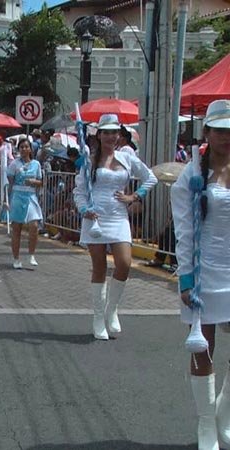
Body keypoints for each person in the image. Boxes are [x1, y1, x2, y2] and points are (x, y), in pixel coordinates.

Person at [171, 99, 230, 450]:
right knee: (203, 348)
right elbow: (184, 230)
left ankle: (225, 412)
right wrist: (187, 278)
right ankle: (206, 424)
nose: (226, 136)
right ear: (206, 132)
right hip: (205, 269)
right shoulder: (192, 175)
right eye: (219, 130)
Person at [74, 114, 157, 340]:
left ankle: (112, 308)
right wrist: (84, 209)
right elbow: (79, 191)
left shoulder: (127, 158)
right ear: (99, 135)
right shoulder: (89, 160)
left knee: (124, 263)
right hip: (95, 218)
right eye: (106, 132)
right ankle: (98, 317)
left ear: (119, 135)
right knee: (99, 268)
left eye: (114, 132)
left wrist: (135, 196)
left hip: (118, 216)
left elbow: (151, 178)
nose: (110, 136)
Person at [6, 138, 44, 269]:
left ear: (30, 149)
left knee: (34, 225)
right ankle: (16, 258)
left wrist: (33, 182)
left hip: (31, 196)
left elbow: (41, 182)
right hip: (17, 196)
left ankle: (31, 254)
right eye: (21, 147)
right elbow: (10, 183)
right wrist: (7, 200)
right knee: (17, 228)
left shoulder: (36, 164)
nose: (24, 149)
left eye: (26, 147)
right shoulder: (14, 164)